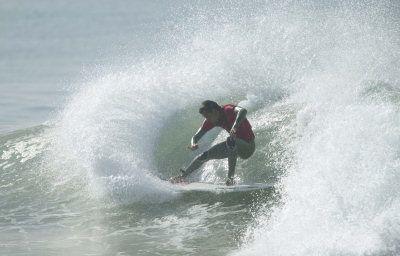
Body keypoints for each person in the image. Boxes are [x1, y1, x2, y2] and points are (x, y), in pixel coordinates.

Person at [170, 100, 256, 186]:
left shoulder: (228, 110)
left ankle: (230, 179)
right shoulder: (211, 120)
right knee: (204, 156)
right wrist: (193, 144)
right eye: (205, 117)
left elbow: (243, 111)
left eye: (208, 116)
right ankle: (183, 176)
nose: (207, 119)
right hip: (234, 146)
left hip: (248, 147)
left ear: (215, 111)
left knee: (230, 140)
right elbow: (195, 137)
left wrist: (235, 126)